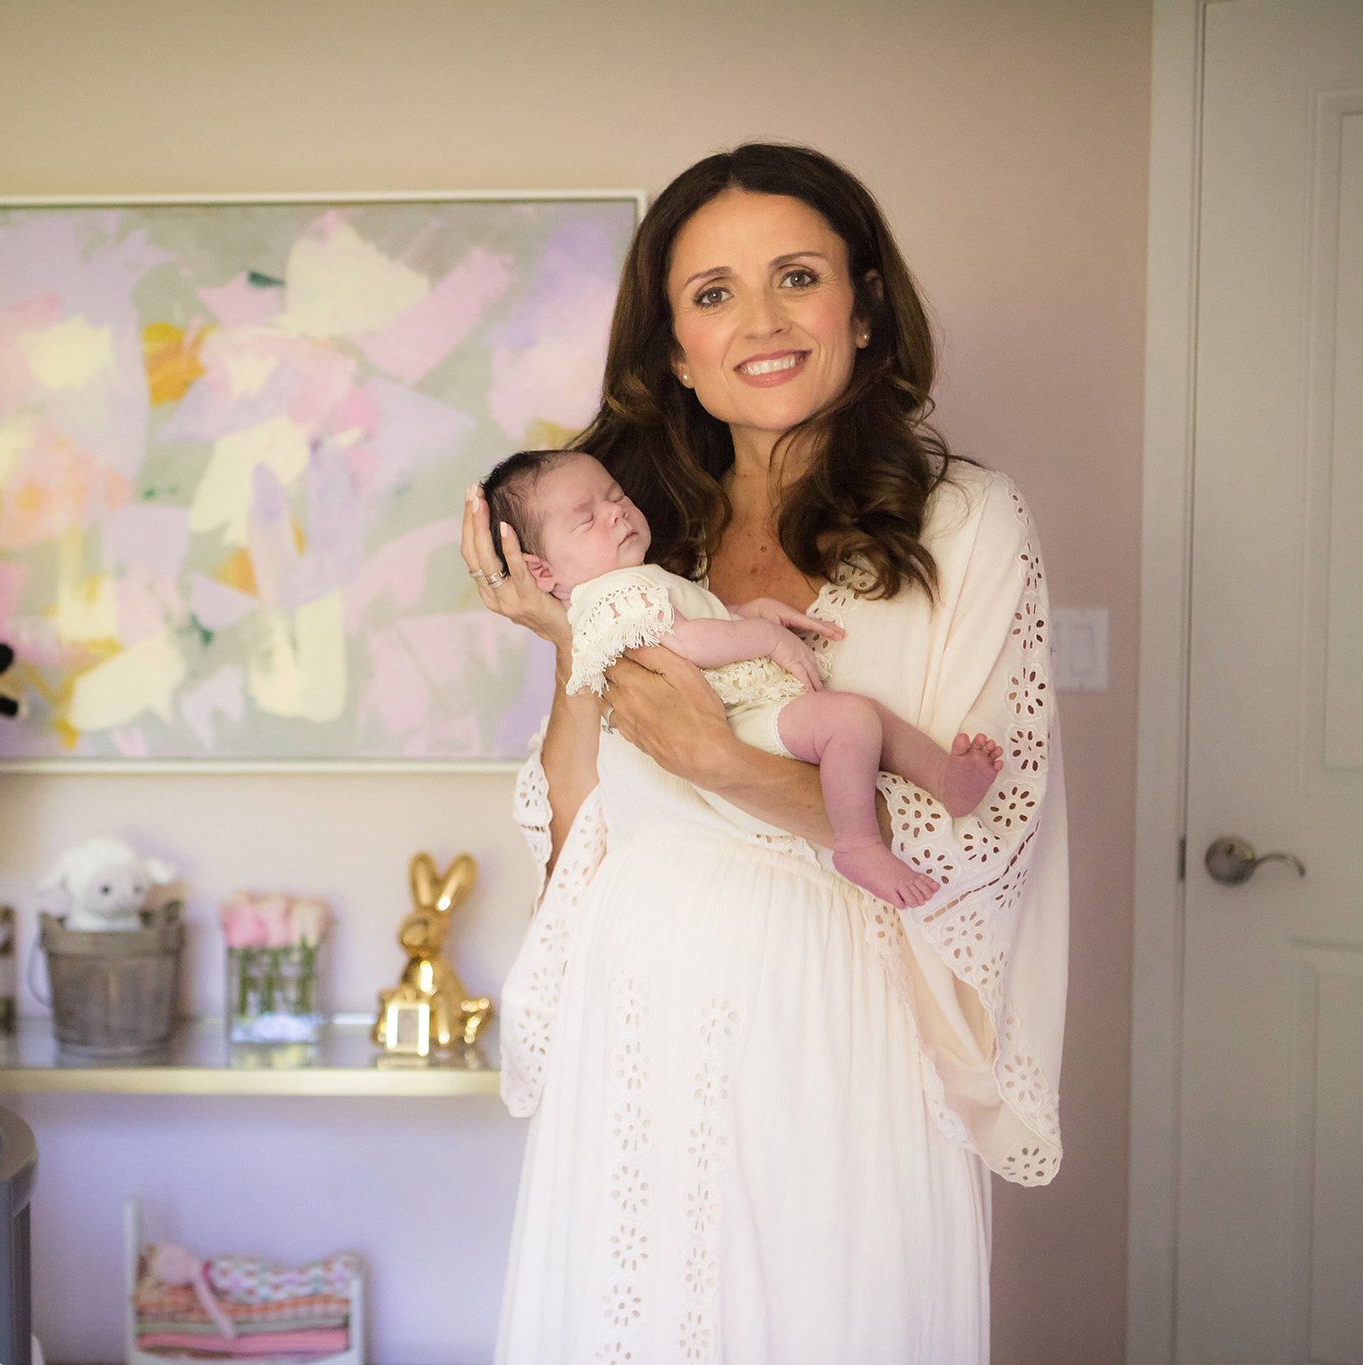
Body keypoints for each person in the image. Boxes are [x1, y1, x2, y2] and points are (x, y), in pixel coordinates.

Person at [460, 143, 1068, 1364]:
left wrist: (726, 765)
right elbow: (575, 845)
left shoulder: (966, 526)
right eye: (711, 294)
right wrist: (560, 646)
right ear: (672, 348)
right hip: (631, 1035)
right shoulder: (622, 538)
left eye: (796, 276)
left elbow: (985, 845)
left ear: (864, 303)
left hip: (840, 1039)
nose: (761, 322)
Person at [480, 447, 1005, 908]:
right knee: (851, 719)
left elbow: (692, 617)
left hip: (738, 708)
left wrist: (750, 610)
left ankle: (940, 777)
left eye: (615, 494)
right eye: (587, 517)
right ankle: (858, 843)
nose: (615, 511)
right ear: (542, 572)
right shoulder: (610, 599)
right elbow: (687, 642)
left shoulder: (626, 587)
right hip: (735, 718)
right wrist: (769, 639)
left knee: (866, 721)